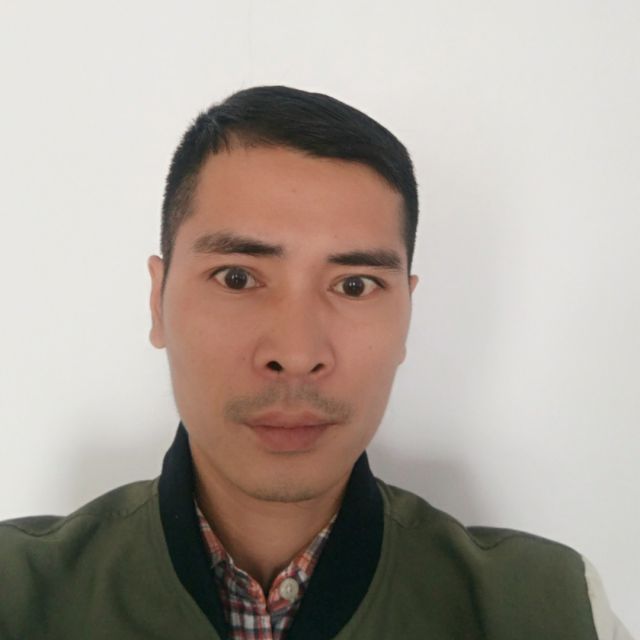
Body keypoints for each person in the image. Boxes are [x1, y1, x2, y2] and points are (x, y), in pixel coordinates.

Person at [0, 86, 633, 640]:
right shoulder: (18, 595)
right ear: (158, 302)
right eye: (238, 277)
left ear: (407, 314)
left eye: (355, 285)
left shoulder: (550, 606)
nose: (297, 354)